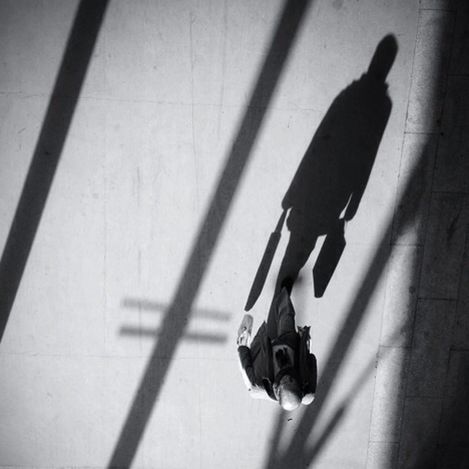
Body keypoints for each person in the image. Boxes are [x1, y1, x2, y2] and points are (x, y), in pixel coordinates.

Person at [237, 281, 317, 411]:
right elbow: (312, 360)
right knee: (287, 315)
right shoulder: (309, 392)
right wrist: (306, 345)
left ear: (276, 388)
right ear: (299, 385)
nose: (286, 377)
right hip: (289, 343)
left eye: (283, 381)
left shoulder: (256, 386)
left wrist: (242, 343)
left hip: (263, 349)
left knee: (264, 331)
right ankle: (283, 293)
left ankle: (281, 298)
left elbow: (244, 364)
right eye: (291, 379)